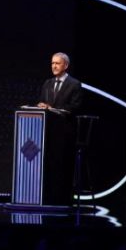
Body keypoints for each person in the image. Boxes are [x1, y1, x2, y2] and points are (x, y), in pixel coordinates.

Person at [36, 52, 83, 206]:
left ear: (66, 65)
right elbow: (43, 102)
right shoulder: (47, 83)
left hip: (65, 132)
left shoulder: (74, 84)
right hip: (48, 132)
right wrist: (42, 106)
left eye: (57, 63)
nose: (54, 66)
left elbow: (75, 107)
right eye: (52, 63)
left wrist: (52, 108)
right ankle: (46, 198)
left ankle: (62, 199)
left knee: (62, 167)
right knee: (47, 165)